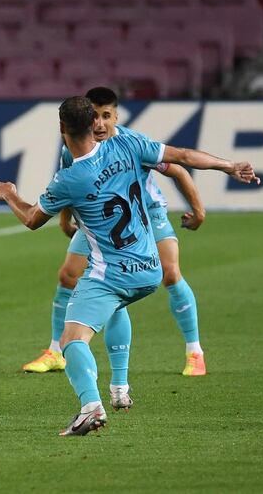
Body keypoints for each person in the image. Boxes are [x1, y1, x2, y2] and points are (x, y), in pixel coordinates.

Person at [0, 96, 258, 436]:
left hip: (111, 272)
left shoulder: (70, 179)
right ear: (94, 125)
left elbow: (31, 219)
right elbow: (184, 157)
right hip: (148, 268)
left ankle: (91, 407)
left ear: (62, 129)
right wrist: (229, 166)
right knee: (114, 304)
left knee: (73, 340)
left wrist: (10, 194)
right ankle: (120, 388)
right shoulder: (130, 144)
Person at [23, 87, 207, 392]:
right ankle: (56, 351)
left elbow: (178, 169)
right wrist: (68, 220)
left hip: (146, 212)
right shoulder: (74, 151)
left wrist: (198, 211)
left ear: (116, 117)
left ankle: (195, 351)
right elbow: (70, 190)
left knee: (170, 272)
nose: (99, 124)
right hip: (101, 221)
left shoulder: (130, 142)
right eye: (94, 117)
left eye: (106, 116)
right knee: (68, 275)